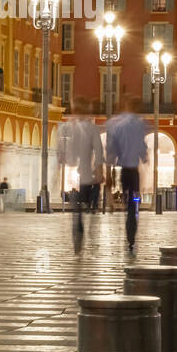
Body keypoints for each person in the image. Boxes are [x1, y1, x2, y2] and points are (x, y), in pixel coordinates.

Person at [57, 97, 104, 254]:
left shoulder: (68, 128)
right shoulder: (92, 129)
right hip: (86, 176)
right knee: (83, 211)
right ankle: (83, 236)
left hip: (74, 178)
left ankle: (78, 241)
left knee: (76, 213)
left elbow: (65, 156)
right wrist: (99, 171)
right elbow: (99, 152)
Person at [105, 95, 149, 256]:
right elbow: (142, 146)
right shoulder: (139, 124)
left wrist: (109, 166)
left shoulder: (117, 124)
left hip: (122, 168)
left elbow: (112, 148)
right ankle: (131, 233)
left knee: (127, 200)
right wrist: (144, 157)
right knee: (132, 204)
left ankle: (128, 223)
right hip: (134, 169)